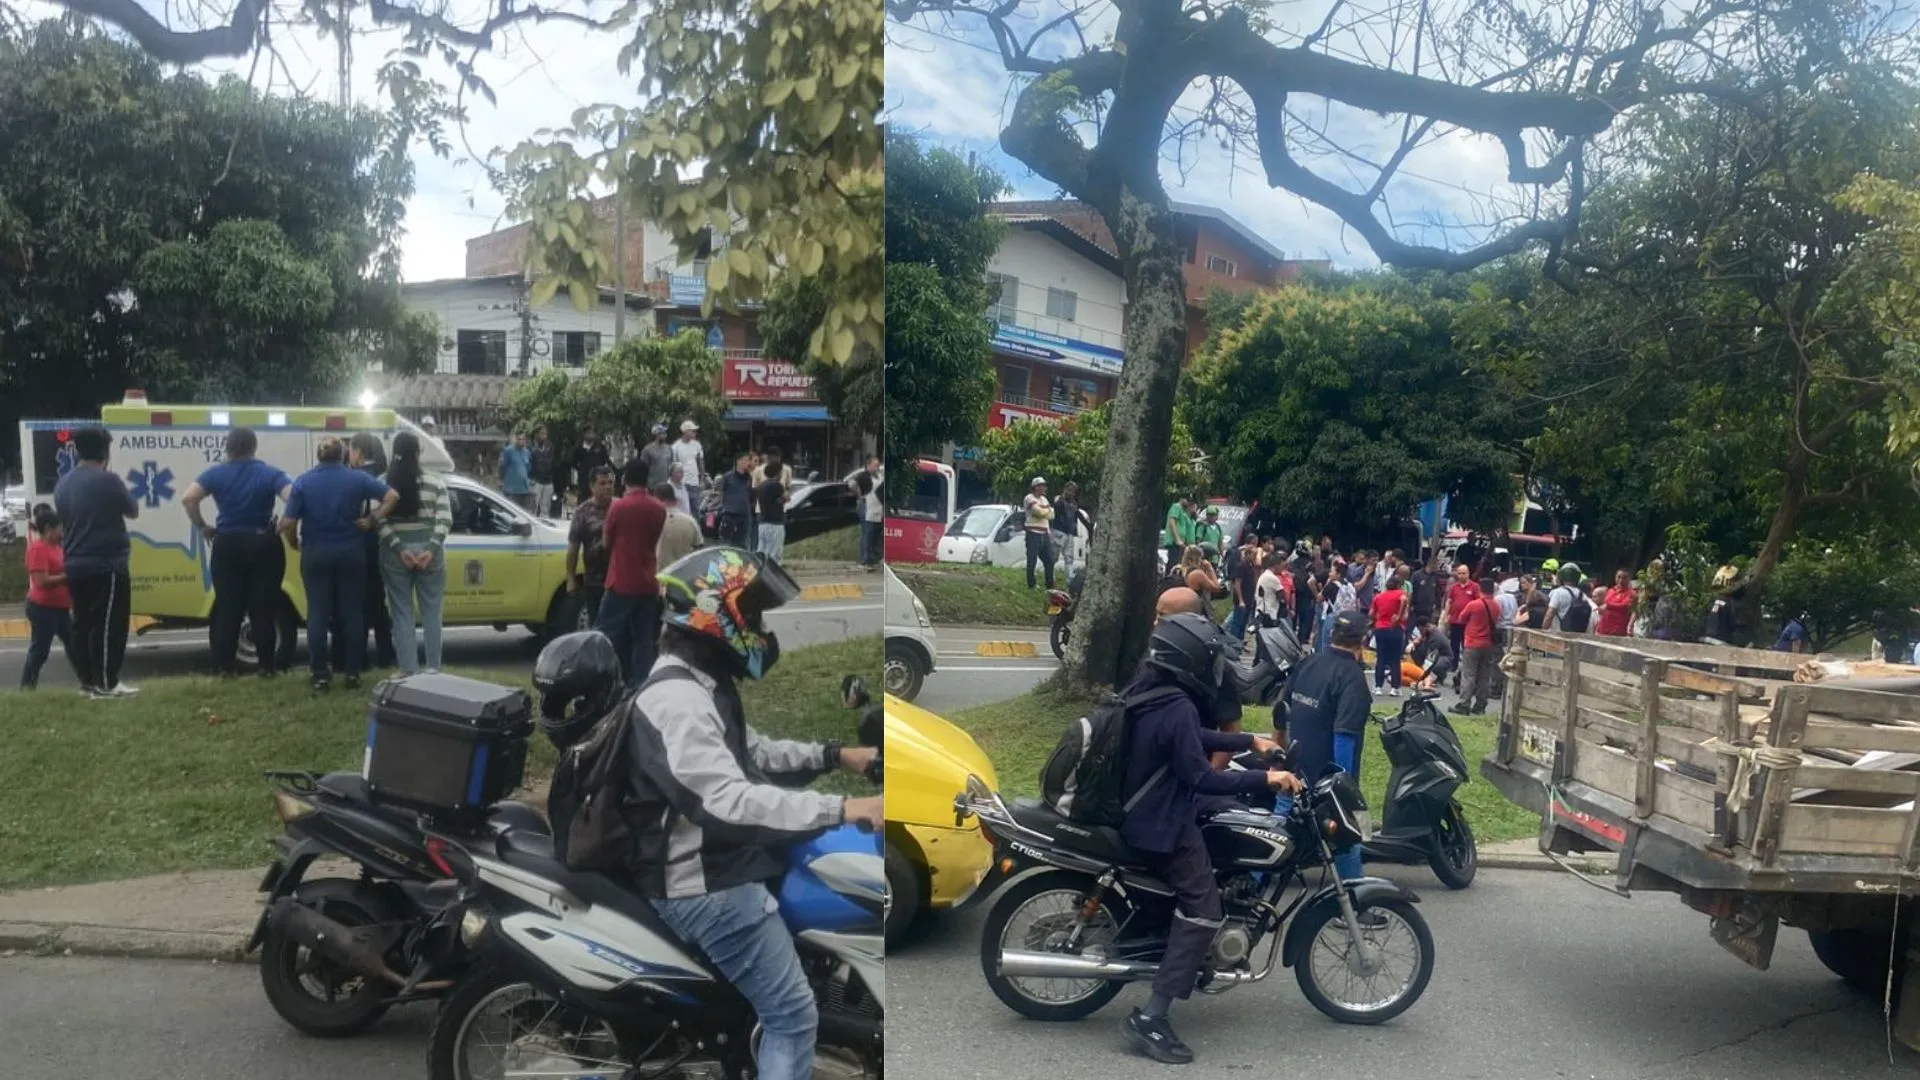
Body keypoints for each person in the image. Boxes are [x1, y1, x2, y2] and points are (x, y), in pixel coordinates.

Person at [608, 549, 883, 1080]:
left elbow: (749, 753)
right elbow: (727, 801)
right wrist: (844, 807)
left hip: (714, 862)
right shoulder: (678, 703)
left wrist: (837, 755)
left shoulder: (695, 681)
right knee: (793, 1015)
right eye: (753, 615)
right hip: (702, 883)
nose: (761, 629)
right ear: (717, 612)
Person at [1116, 613, 1299, 1064]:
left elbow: (1189, 738)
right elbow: (1199, 776)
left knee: (1229, 817)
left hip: (1149, 805)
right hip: (1161, 820)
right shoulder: (1175, 702)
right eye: (1210, 657)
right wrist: (1267, 781)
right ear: (1192, 660)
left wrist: (1250, 742)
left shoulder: (1151, 689)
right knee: (1203, 909)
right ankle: (1152, 1018)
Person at [280, 436, 398, 692]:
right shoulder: (357, 478)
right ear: (343, 455)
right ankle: (353, 673)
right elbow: (391, 496)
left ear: (319, 456)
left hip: (316, 553)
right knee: (352, 613)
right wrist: (372, 519)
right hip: (351, 552)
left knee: (318, 613)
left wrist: (293, 542)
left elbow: (288, 523)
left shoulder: (304, 481)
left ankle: (321, 674)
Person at [182, 427, 293, 677]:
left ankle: (225, 668)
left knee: (228, 608)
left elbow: (189, 499)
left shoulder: (215, 473)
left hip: (227, 544)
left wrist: (202, 527)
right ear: (254, 447)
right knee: (263, 607)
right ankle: (267, 668)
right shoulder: (269, 473)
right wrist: (284, 523)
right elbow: (294, 495)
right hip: (264, 543)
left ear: (228, 447)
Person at [1277, 608, 1372, 881]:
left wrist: (1281, 756)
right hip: (1324, 777)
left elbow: (1281, 713)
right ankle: (1356, 903)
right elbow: (1344, 736)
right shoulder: (1351, 677)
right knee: (1346, 835)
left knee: (1278, 829)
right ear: (1361, 640)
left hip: (1293, 768)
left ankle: (1249, 893)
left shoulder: (1309, 662)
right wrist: (1342, 787)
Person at [54, 426, 140, 699]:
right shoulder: (108, 480)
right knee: (109, 625)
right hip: (106, 564)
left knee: (83, 624)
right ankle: (107, 683)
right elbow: (133, 510)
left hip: (74, 564)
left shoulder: (63, 483)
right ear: (105, 451)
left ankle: (89, 682)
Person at [378, 432, 452, 675]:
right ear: (419, 453)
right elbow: (444, 519)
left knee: (401, 612)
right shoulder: (435, 482)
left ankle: (408, 670)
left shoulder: (383, 483)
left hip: (395, 555)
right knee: (432, 611)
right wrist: (430, 550)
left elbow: (377, 519)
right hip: (430, 554)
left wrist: (399, 548)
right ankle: (433, 669)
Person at [595, 459, 668, 687]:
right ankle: (640, 684)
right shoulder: (658, 508)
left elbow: (606, 543)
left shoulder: (619, 507)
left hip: (621, 581)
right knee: (644, 639)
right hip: (648, 582)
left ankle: (601, 680)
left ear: (625, 479)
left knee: (604, 634)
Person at [339, 433, 398, 672]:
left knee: (357, 605)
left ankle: (359, 658)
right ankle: (386, 655)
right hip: (380, 546)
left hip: (359, 544)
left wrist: (370, 520)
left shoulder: (357, 477)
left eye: (350, 450)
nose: (348, 455)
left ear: (359, 451)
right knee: (377, 603)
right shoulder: (384, 475)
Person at [20, 505, 76, 690]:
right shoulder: (38, 549)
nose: (62, 531)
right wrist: (67, 576)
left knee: (75, 645)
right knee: (40, 651)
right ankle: (27, 688)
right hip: (42, 608)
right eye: (59, 527)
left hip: (60, 608)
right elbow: (41, 581)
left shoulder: (57, 547)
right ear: (48, 529)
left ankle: (90, 683)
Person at [567, 466, 618, 625]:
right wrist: (570, 577)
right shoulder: (582, 512)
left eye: (610, 482)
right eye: (602, 483)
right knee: (598, 624)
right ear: (592, 486)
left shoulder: (621, 508)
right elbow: (573, 548)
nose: (608, 487)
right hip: (595, 580)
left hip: (619, 579)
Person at [1455, 578, 1502, 716]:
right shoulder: (1496, 606)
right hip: (1488, 644)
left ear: (1480, 589)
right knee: (1484, 675)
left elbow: (1461, 618)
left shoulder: (1474, 604)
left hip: (1473, 642)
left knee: (1469, 674)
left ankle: (1464, 704)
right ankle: (1480, 705)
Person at [1370, 572, 1409, 696]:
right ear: (1399, 585)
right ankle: (1395, 687)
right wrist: (1399, 615)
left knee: (1380, 657)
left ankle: (1378, 686)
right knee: (1395, 659)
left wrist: (1377, 618)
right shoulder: (1400, 594)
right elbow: (1404, 600)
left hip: (1380, 628)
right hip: (1395, 628)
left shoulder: (1379, 596)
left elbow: (1371, 613)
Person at [1442, 562, 1478, 688]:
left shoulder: (1474, 587)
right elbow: (1449, 601)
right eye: (1459, 573)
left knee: (1466, 645)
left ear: (1468, 574)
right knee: (1454, 644)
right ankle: (1453, 664)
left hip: (1468, 622)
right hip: (1455, 620)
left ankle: (1465, 667)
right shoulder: (1454, 587)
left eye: (1464, 573)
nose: (1461, 575)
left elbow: (1477, 603)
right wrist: (1446, 615)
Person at [654, 482, 705, 566]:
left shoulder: (654, 521)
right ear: (675, 500)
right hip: (683, 573)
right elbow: (699, 546)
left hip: (660, 573)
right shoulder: (690, 521)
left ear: (656, 500)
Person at [1021, 477, 1057, 590]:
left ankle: (1049, 585)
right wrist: (1046, 511)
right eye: (1042, 485)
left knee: (1049, 561)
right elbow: (1040, 512)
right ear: (1036, 487)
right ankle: (1031, 585)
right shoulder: (1029, 498)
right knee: (1032, 560)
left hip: (1045, 533)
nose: (1044, 488)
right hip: (1033, 533)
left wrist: (1045, 512)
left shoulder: (1044, 499)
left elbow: (1052, 515)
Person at [756, 449, 789, 563]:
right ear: (778, 472)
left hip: (763, 523)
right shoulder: (777, 485)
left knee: (762, 553)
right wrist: (782, 498)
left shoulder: (761, 486)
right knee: (774, 556)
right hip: (775, 524)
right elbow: (786, 497)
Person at [1054, 481, 1091, 580]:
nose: (1071, 493)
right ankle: (1050, 576)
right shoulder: (1059, 501)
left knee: (1069, 556)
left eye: (1073, 492)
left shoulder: (1074, 503)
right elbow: (1055, 512)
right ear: (1065, 490)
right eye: (1069, 491)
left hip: (1070, 532)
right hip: (1059, 531)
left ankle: (1070, 577)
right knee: (1054, 556)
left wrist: (1088, 526)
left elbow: (1078, 515)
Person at [718, 453, 756, 548]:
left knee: (742, 543)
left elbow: (752, 494)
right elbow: (721, 493)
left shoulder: (750, 478)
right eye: (745, 460)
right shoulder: (728, 476)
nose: (747, 463)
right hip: (729, 514)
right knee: (726, 543)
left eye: (748, 461)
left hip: (744, 515)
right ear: (738, 461)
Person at [852, 455, 883, 571]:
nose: (877, 468)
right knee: (867, 533)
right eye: (875, 465)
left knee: (875, 534)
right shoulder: (863, 476)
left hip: (877, 508)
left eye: (878, 465)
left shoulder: (879, 476)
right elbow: (852, 484)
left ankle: (873, 558)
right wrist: (860, 496)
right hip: (866, 506)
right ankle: (864, 560)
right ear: (868, 465)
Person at [1226, 543, 1262, 642]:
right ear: (1248, 554)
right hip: (1242, 599)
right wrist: (1241, 600)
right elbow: (1237, 583)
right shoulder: (1242, 566)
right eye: (1254, 554)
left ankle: (1240, 641)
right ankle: (1233, 642)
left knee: (1243, 623)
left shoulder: (1251, 566)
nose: (1255, 557)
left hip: (1249, 597)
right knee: (1237, 622)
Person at [573, 428, 612, 506]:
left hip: (598, 479)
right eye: (588, 433)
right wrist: (581, 469)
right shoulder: (578, 447)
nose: (591, 435)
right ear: (584, 434)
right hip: (584, 480)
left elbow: (605, 460)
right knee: (583, 503)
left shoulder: (600, 447)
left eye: (592, 433)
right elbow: (573, 462)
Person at [671, 419, 707, 497]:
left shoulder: (697, 445)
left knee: (695, 507)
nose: (695, 433)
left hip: (694, 482)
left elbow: (701, 462)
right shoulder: (675, 447)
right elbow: (673, 465)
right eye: (693, 431)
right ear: (686, 432)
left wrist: (702, 480)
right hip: (681, 482)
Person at [499, 433, 534, 511]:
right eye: (519, 439)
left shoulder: (527, 452)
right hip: (510, 489)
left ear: (525, 441)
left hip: (523, 489)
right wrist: (501, 480)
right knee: (509, 511)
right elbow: (502, 466)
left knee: (522, 512)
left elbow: (528, 469)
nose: (521, 441)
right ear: (515, 439)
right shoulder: (508, 451)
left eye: (523, 439)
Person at [1597, 569, 1635, 637]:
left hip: (1617, 630)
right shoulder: (1611, 591)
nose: (1621, 580)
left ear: (1629, 579)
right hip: (1603, 628)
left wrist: (1608, 605)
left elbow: (1625, 606)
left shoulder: (1631, 593)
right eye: (1619, 577)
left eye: (1624, 578)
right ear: (1615, 577)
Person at [529, 426, 557, 517]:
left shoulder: (550, 446)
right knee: (533, 508)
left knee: (545, 509)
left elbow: (552, 462)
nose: (544, 436)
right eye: (542, 434)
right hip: (535, 481)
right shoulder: (531, 447)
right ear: (536, 434)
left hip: (548, 481)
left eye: (545, 434)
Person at [1254, 552, 1287, 628]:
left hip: (1261, 613)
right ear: (1276, 565)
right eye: (1281, 565)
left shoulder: (1264, 575)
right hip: (1268, 615)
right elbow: (1282, 596)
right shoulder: (1272, 578)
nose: (1282, 568)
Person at [1161, 497, 1196, 570]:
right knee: (1173, 564)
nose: (1188, 502)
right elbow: (1172, 522)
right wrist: (1177, 539)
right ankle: (1169, 580)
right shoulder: (1176, 507)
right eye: (1187, 500)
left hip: (1180, 544)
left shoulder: (1183, 512)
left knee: (1179, 565)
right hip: (1173, 542)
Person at [639, 424, 676, 489]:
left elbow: (671, 465)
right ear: (657, 435)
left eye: (665, 433)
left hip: (666, 485)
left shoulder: (669, 448)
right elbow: (643, 469)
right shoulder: (647, 450)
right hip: (652, 486)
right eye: (663, 433)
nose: (665, 435)